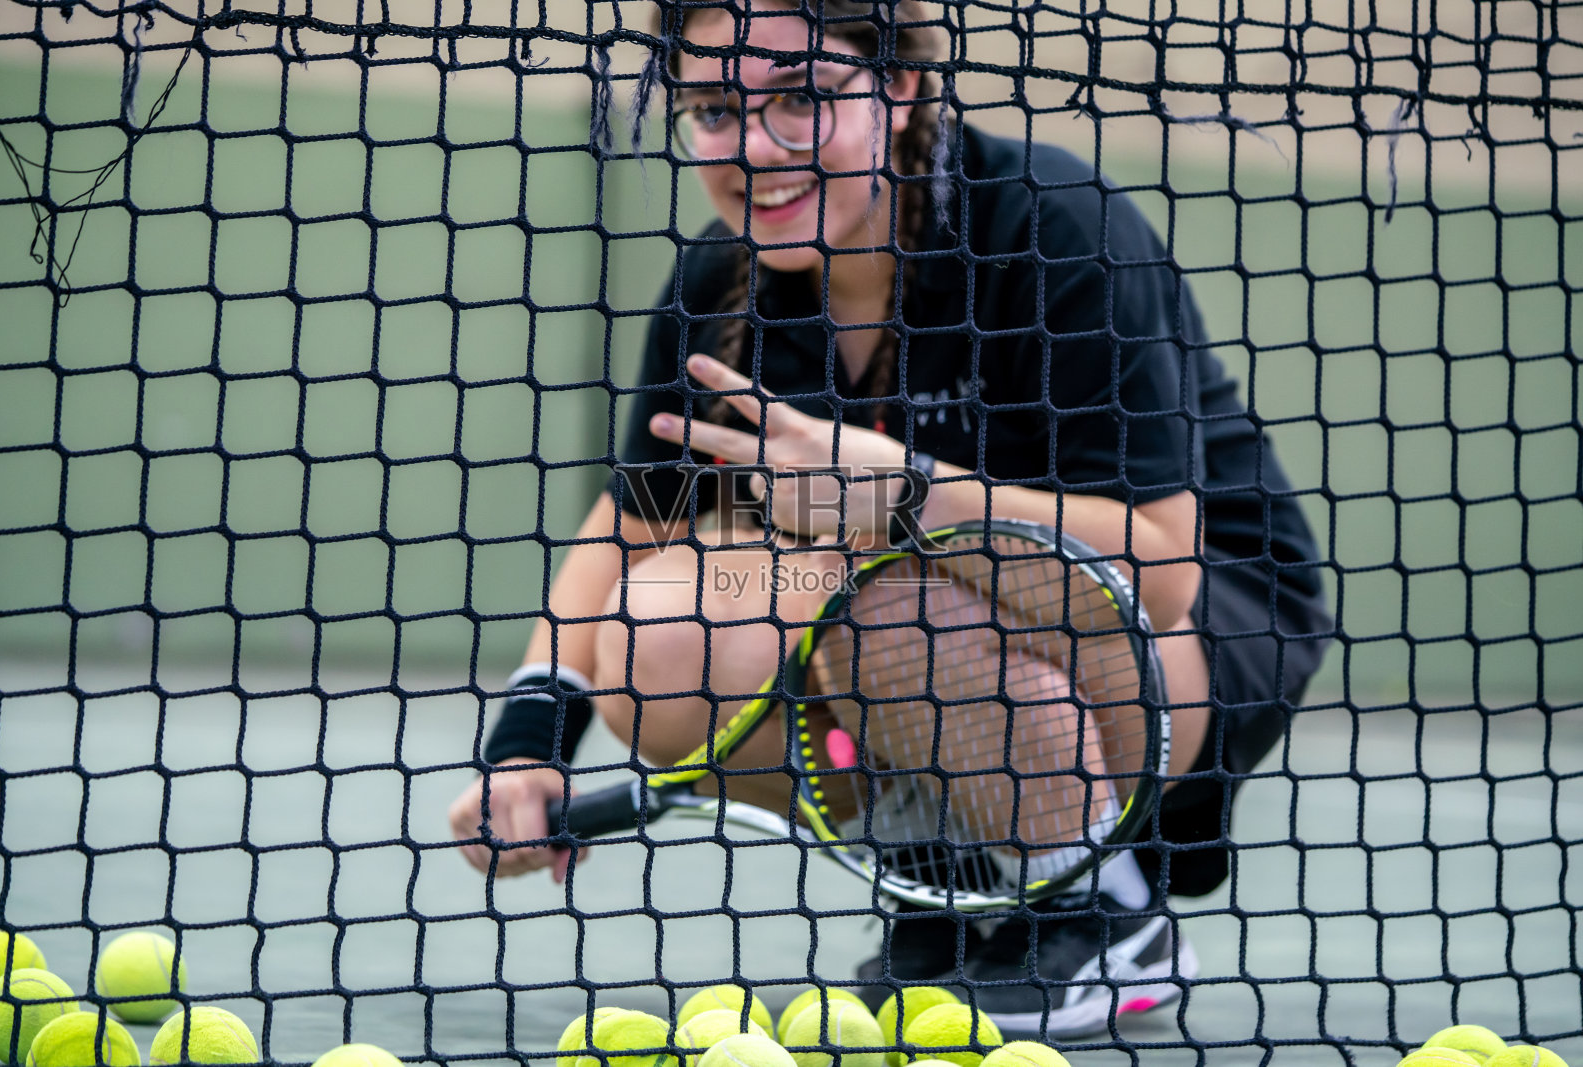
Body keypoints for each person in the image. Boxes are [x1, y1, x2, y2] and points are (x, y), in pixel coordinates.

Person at [448, 0, 1331, 1041]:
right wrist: (527, 738)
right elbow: (633, 520)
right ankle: (944, 870)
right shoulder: (720, 280)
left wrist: (908, 492)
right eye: (717, 108)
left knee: (873, 591)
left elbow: (1164, 570)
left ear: (898, 88)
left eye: (801, 97)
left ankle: (1099, 909)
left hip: (1185, 633)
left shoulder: (1053, 225)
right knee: (664, 625)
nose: (756, 145)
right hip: (913, 620)